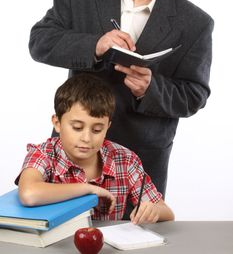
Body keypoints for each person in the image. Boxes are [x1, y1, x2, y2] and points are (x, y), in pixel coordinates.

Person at [29, 0, 214, 197]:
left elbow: (195, 95)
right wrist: (95, 45)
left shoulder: (196, 23)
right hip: (73, 149)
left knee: (135, 240)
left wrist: (150, 88)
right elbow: (40, 41)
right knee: (60, 237)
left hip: (140, 160)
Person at [15, 73, 174, 224]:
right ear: (57, 123)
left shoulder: (125, 160)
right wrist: (88, 190)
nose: (86, 138)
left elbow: (167, 212)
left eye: (97, 130)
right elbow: (29, 194)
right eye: (77, 128)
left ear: (107, 127)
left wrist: (153, 210)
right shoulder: (43, 153)